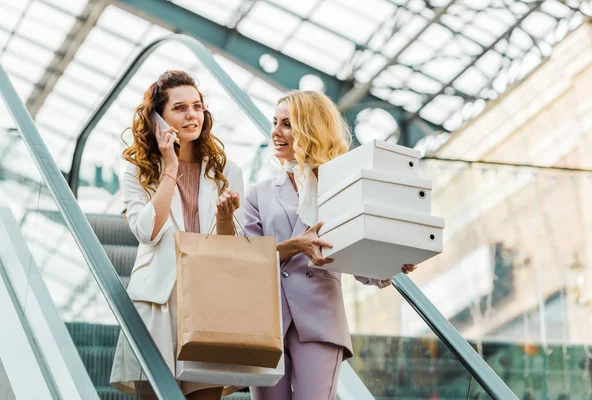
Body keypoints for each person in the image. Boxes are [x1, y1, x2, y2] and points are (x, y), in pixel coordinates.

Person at [245, 90, 416, 400]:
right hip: (266, 319)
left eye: (287, 124)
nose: (276, 132)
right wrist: (296, 245)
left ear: (309, 128)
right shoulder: (259, 194)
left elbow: (359, 257)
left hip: (319, 317)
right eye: (275, 122)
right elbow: (246, 259)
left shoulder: (341, 187)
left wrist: (392, 263)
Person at [109, 70, 244, 400]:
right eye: (180, 108)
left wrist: (225, 219)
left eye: (197, 106)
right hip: (157, 301)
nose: (192, 115)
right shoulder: (138, 170)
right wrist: (169, 169)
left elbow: (232, 249)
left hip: (207, 299)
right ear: (158, 118)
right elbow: (147, 231)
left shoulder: (227, 171)